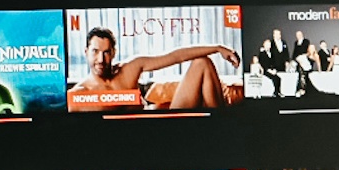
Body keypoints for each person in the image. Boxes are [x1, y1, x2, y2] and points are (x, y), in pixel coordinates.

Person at [69, 25, 239, 111]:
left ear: (113, 53)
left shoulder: (129, 69)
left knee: (202, 62)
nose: (100, 59)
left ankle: (219, 128)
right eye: (95, 52)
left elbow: (175, 56)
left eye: (106, 52)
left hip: (161, 126)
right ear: (86, 52)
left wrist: (217, 48)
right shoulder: (78, 95)